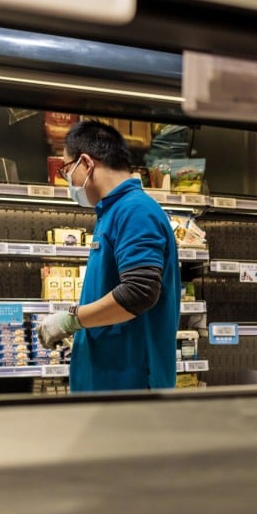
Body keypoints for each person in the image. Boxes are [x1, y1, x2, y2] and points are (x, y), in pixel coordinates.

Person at [37, 120, 180, 391]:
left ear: (87, 164)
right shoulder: (112, 213)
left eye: (68, 170)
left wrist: (71, 319)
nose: (69, 180)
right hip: (109, 384)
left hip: (129, 386)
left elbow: (139, 291)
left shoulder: (135, 210)